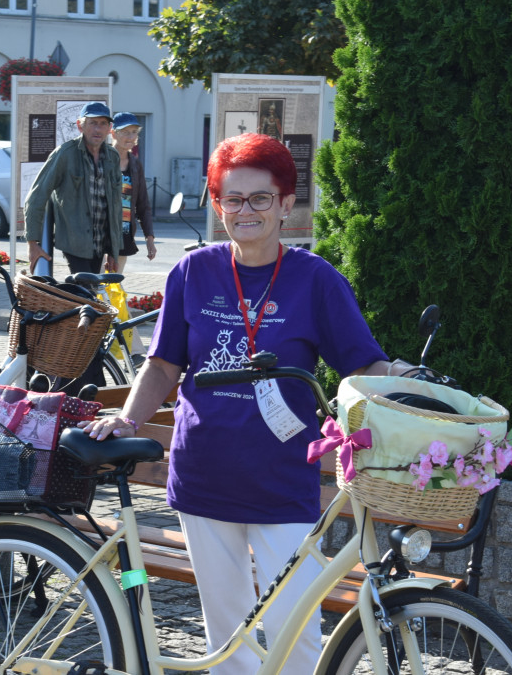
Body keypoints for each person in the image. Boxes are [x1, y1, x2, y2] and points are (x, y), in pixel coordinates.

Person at [81, 133, 420, 674]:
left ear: (286, 204)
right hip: (204, 479)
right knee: (229, 640)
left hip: (283, 483)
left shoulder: (316, 281)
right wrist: (128, 417)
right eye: (232, 198)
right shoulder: (193, 272)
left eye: (260, 198)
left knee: (297, 636)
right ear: (217, 205)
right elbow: (165, 364)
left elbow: (364, 364)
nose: (246, 211)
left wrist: (406, 377)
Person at [24, 101, 123, 274]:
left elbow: (115, 207)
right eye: (92, 123)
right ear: (80, 126)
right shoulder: (65, 154)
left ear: (109, 128)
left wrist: (113, 250)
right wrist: (33, 244)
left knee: (87, 293)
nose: (98, 130)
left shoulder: (112, 157)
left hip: (99, 243)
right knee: (84, 291)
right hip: (74, 241)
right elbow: (36, 196)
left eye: (103, 124)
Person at [109, 112, 156, 273]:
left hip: (125, 234)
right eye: (125, 132)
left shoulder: (136, 164)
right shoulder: (101, 159)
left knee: (114, 284)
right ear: (113, 133)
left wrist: (149, 238)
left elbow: (143, 205)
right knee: (98, 284)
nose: (130, 137)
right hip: (102, 236)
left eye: (134, 132)